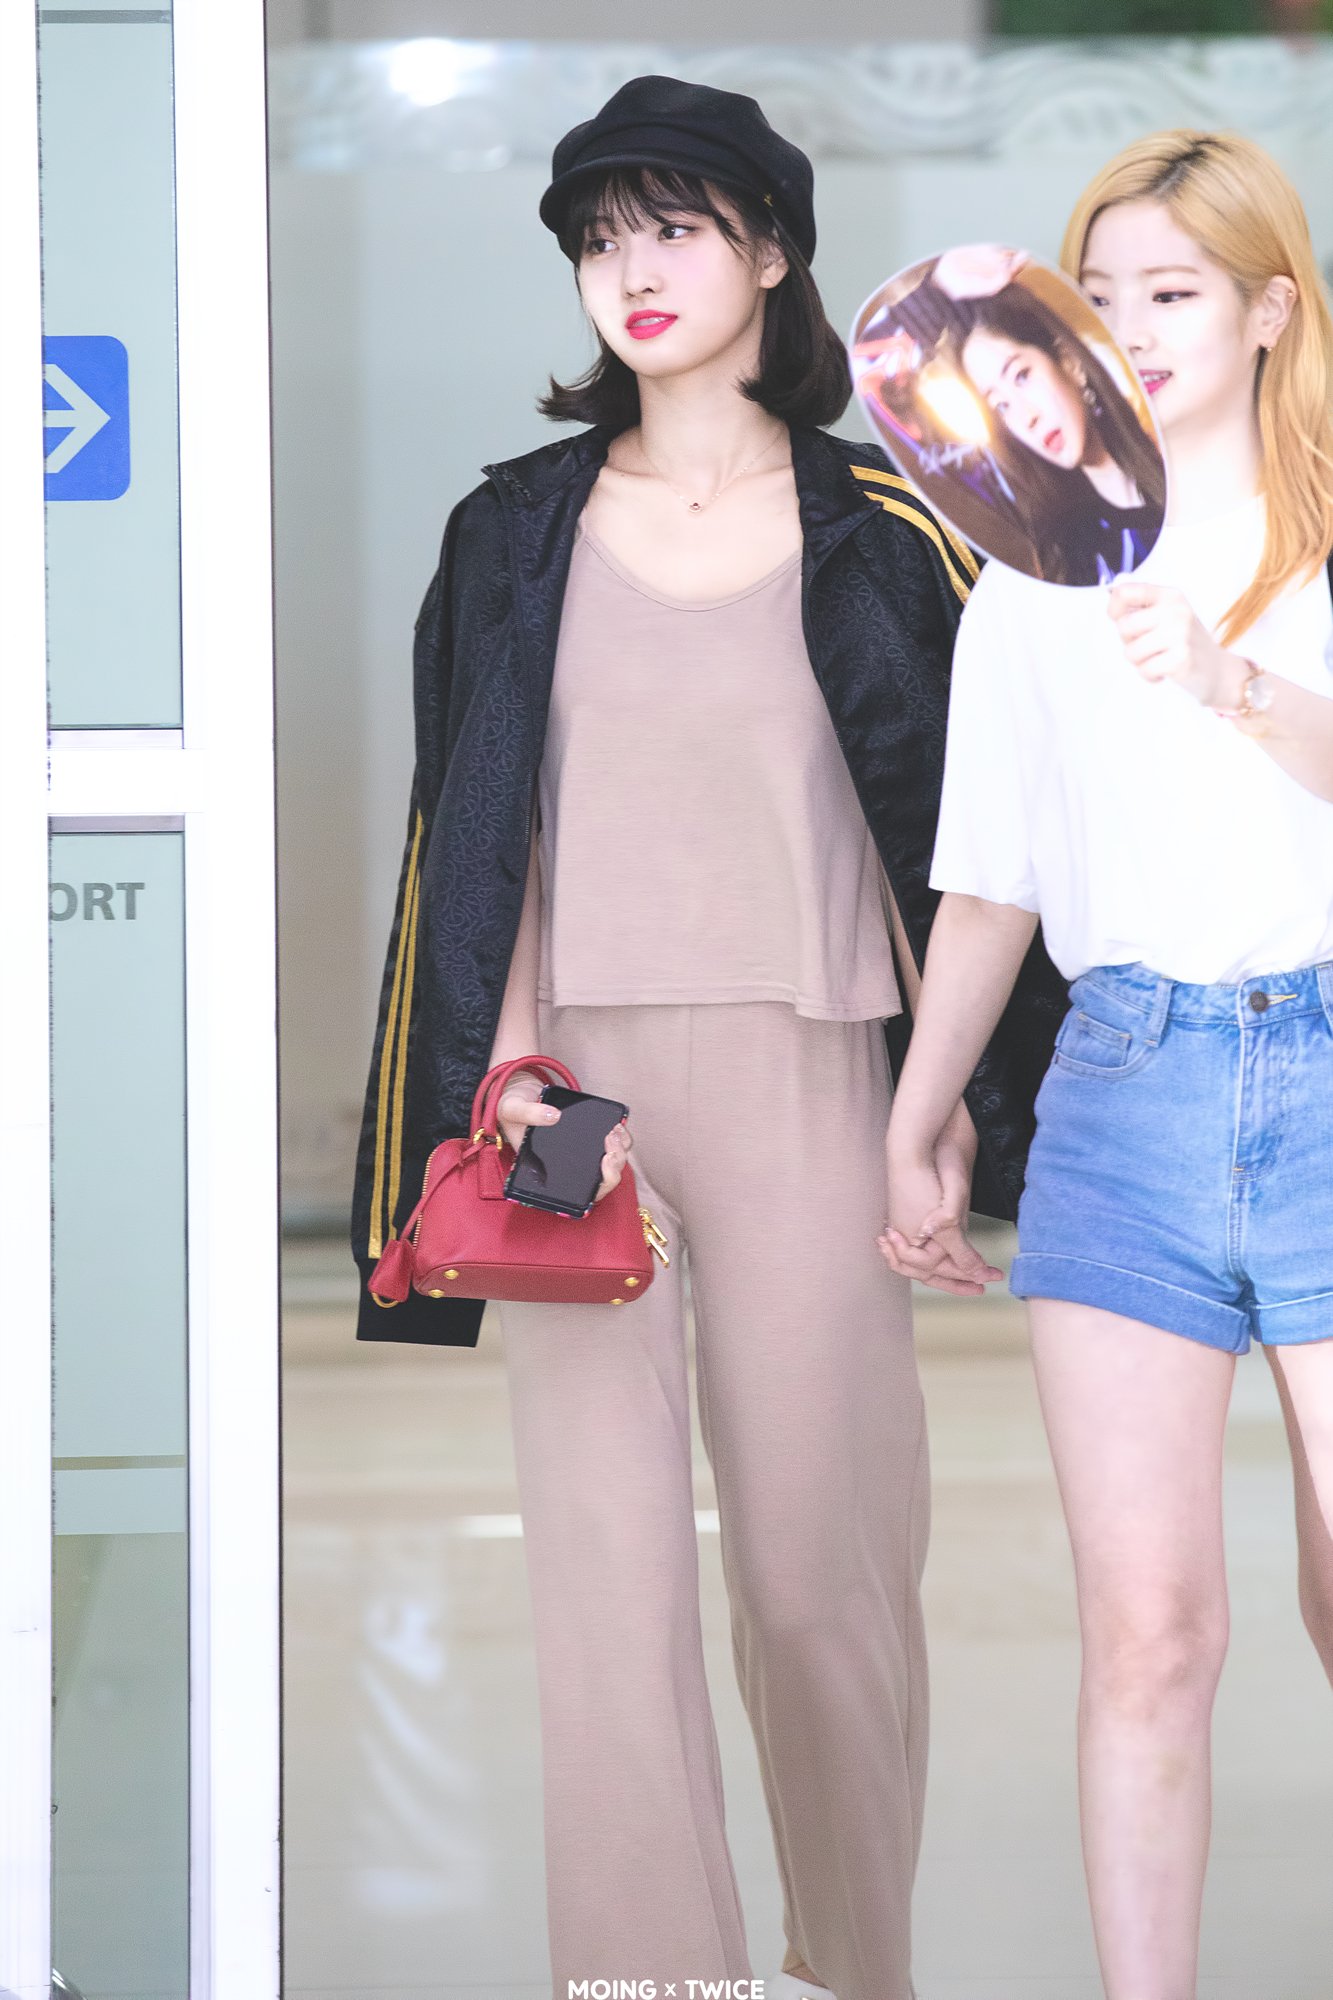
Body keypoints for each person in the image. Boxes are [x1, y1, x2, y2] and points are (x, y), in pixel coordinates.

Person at [350, 75, 1062, 2000]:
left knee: (820, 1582)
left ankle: (855, 1964)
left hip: (814, 1077)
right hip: (568, 1102)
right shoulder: (511, 532)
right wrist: (500, 1082)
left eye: (671, 227)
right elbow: (466, 831)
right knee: (604, 1595)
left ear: (769, 250)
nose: (629, 272)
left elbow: (971, 848)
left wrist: (945, 1112)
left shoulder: (892, 526)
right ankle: (646, 1981)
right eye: (597, 240)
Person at [881, 130, 1333, 1998]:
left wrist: (1233, 683)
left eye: (1175, 290)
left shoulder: (1319, 538)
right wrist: (916, 1121)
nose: (1133, 327)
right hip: (1124, 1090)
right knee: (1149, 1632)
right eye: (1107, 292)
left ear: (1268, 310)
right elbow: (987, 885)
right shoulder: (1030, 579)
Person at [856, 248, 1165, 583]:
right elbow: (871, 369)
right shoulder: (1058, 543)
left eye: (1021, 376)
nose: (1026, 417)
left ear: (1069, 362)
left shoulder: (1176, 465)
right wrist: (937, 290)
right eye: (1000, 405)